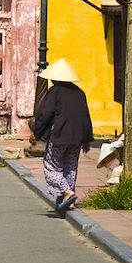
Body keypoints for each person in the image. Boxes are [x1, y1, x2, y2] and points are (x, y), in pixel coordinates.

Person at [29, 58, 94, 214]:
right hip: (77, 138)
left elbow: (45, 114)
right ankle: (67, 202)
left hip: (59, 136)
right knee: (70, 167)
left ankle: (67, 192)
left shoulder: (55, 92)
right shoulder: (80, 93)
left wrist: (36, 132)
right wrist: (86, 139)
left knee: (51, 167)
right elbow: (86, 117)